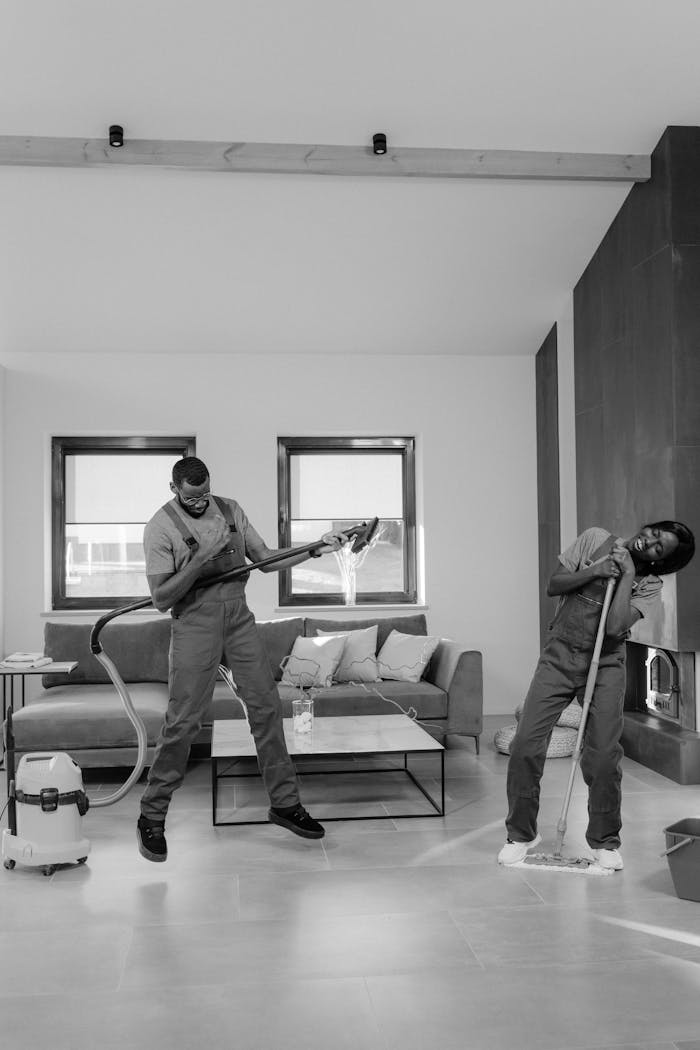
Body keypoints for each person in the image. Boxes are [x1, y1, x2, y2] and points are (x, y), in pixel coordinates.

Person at [137, 456, 347, 862]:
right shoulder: (160, 527)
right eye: (191, 498)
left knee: (266, 707)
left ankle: (285, 803)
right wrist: (201, 557)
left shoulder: (230, 510)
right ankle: (152, 815)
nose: (201, 502)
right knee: (183, 722)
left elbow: (266, 558)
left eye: (205, 494)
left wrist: (316, 548)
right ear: (174, 489)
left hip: (238, 618)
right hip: (194, 623)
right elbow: (161, 598)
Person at [498, 520, 695, 872]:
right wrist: (596, 570)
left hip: (605, 664)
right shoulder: (594, 539)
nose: (649, 541)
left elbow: (616, 626)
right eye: (653, 533)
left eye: (658, 548)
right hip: (558, 657)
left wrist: (627, 573)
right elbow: (554, 585)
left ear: (660, 561)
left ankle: (604, 840)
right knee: (525, 744)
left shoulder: (650, 586)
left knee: (603, 755)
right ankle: (521, 834)